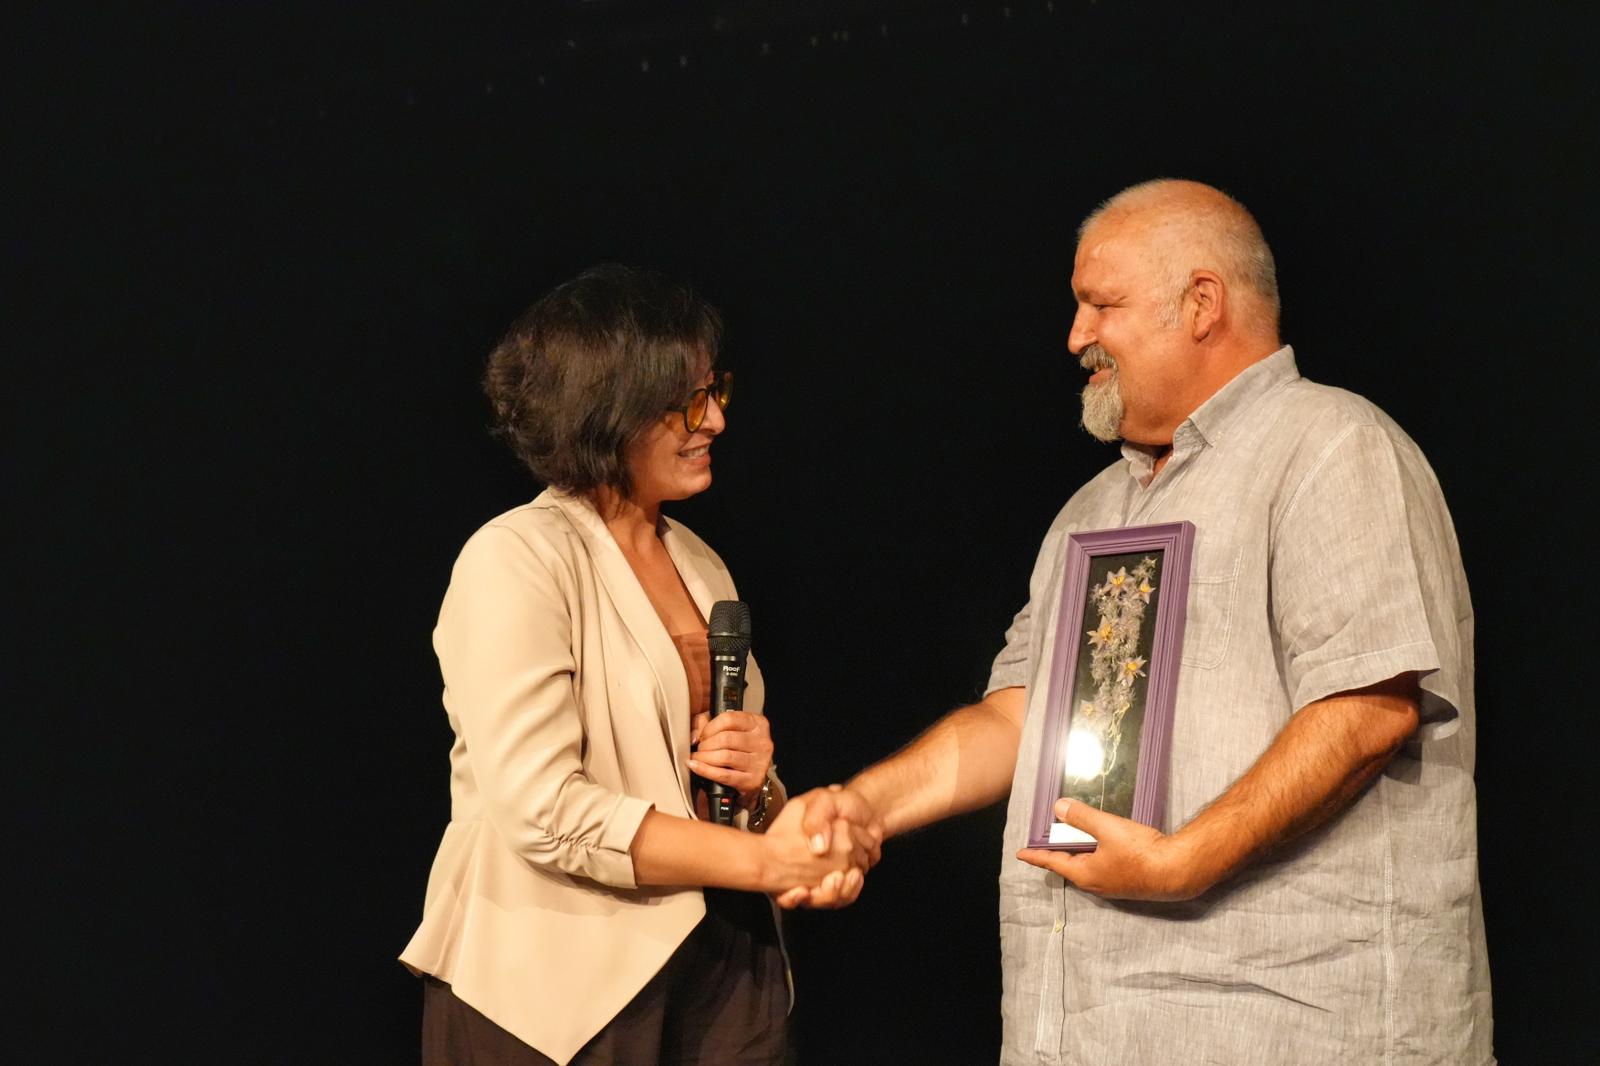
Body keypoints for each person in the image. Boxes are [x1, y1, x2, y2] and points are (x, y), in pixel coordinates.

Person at [794, 180, 1492, 1064]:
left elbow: (1367, 710)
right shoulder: (1093, 510)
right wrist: (867, 806)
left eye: (1102, 304)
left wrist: (1180, 862)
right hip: (1086, 1026)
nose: (1076, 335)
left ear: (1201, 304)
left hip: (1288, 1028)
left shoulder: (1331, 446)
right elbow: (1019, 716)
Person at [400, 264, 874, 1066]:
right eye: (686, 400)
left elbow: (710, 786)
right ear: (606, 407)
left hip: (723, 971)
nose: (716, 419)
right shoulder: (516, 557)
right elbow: (544, 810)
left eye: (715, 390)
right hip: (560, 995)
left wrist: (758, 785)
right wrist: (765, 860)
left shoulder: (702, 564)